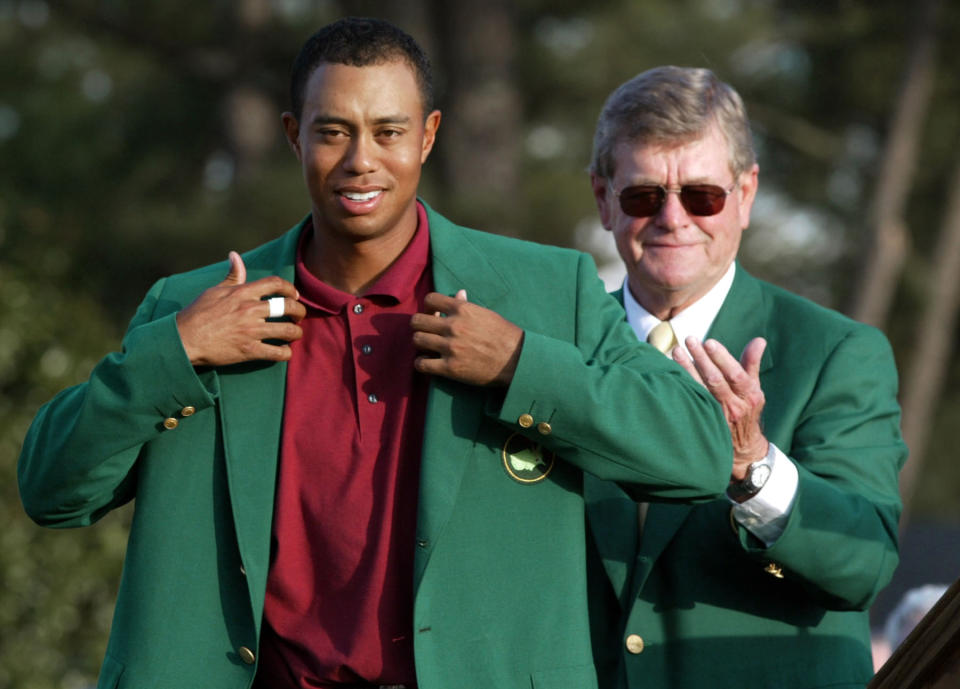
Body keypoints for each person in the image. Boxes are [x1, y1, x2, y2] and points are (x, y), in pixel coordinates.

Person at [17, 20, 733, 689]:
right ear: (295, 136)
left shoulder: (547, 292)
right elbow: (52, 490)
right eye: (333, 131)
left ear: (427, 137)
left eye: (389, 131)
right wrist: (176, 352)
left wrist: (521, 364)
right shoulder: (196, 305)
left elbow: (697, 452)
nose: (361, 161)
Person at [584, 66, 907, 689]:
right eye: (643, 195)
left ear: (747, 194)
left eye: (702, 195)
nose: (673, 219)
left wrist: (754, 467)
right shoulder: (563, 344)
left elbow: (864, 561)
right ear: (603, 199)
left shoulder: (836, 352)